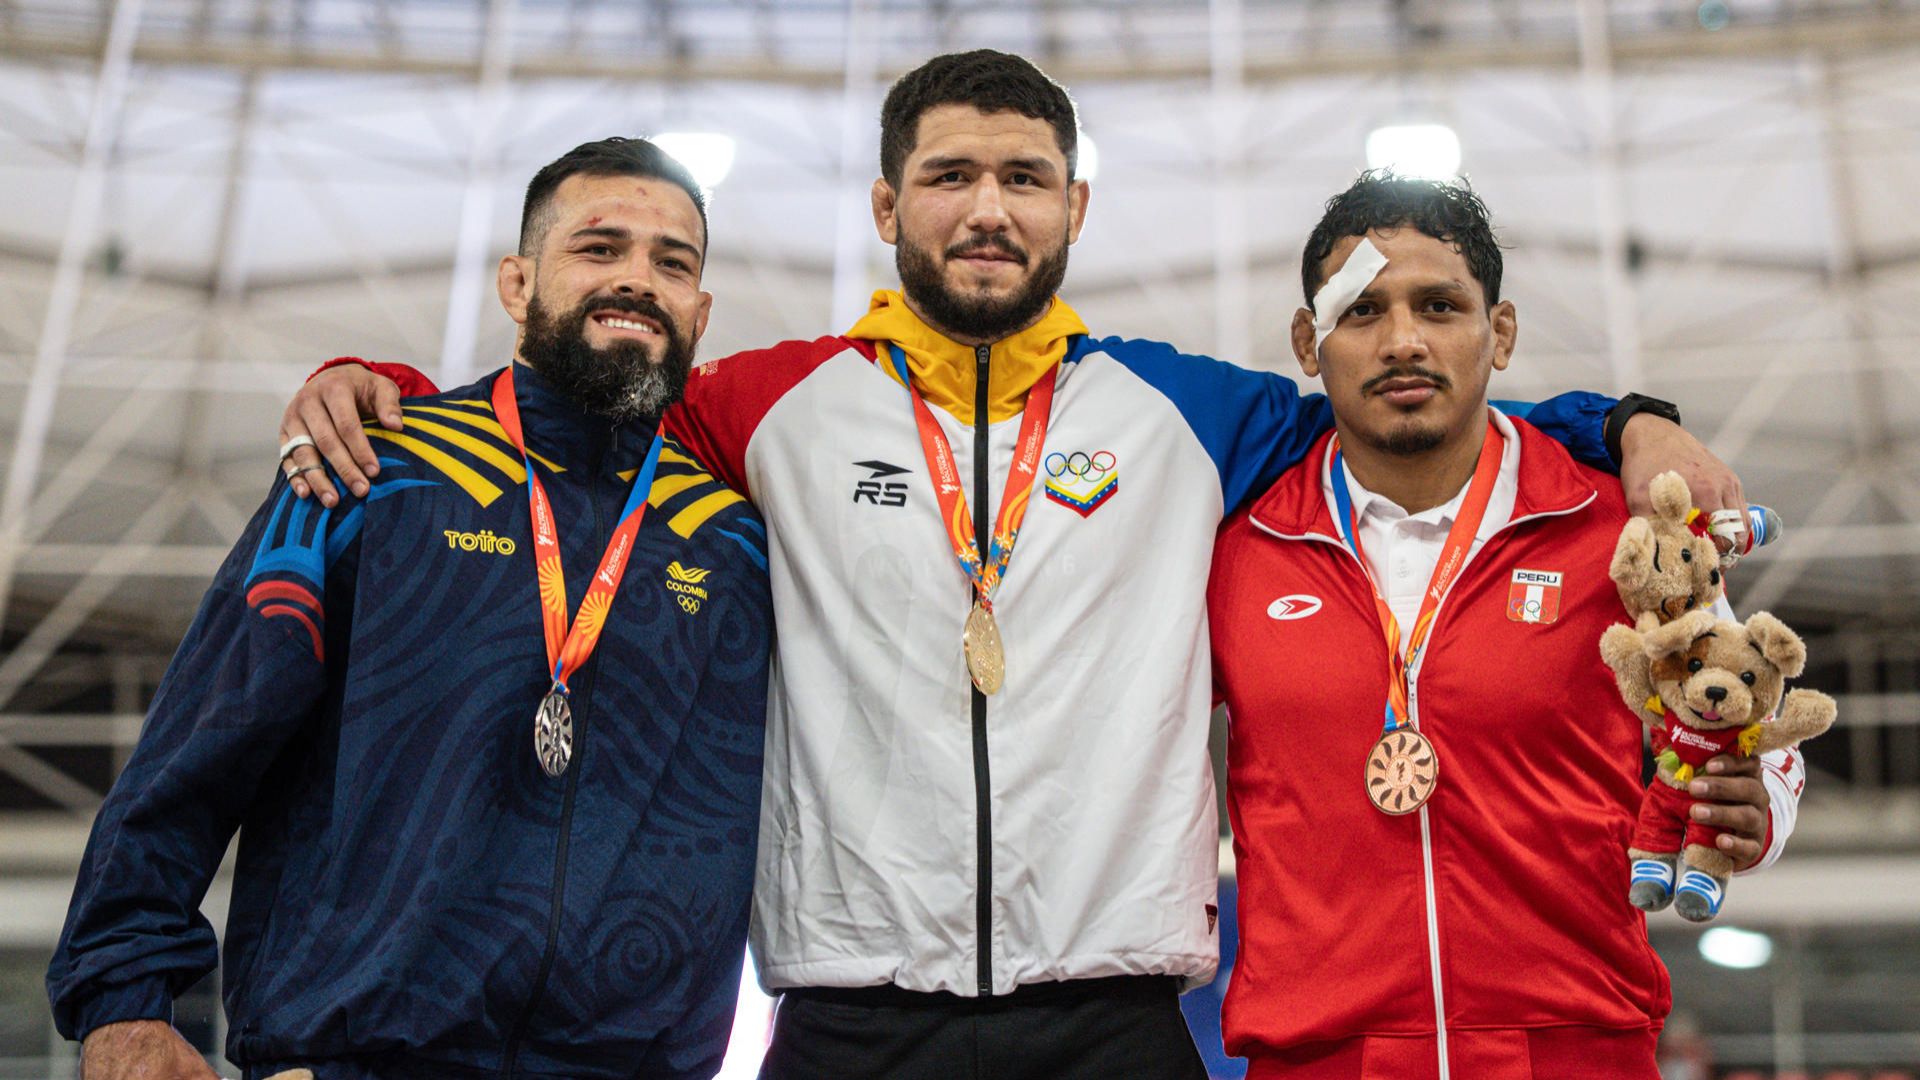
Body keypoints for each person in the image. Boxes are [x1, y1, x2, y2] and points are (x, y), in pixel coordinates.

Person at [273, 52, 1764, 1078]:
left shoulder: (1192, 412)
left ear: (1074, 211)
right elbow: (585, 409)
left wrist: (1626, 424)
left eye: (1026, 177)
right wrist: (381, 378)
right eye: (951, 175)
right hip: (851, 1015)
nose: (989, 206)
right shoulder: (770, 403)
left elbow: (1410, 405)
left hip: (1115, 1020)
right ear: (888, 208)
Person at [46, 138, 774, 1080]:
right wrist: (123, 1004)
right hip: (355, 1054)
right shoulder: (369, 471)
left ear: (700, 311)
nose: (637, 279)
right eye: (599, 248)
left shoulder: (733, 543)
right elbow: (196, 748)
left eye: (671, 263)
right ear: (518, 284)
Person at [1206, 173, 1805, 1080]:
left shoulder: (1620, 530)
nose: (1404, 340)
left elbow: (1763, 725)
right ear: (1308, 342)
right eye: (1361, 312)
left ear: (1502, 333)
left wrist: (1764, 808)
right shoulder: (1235, 548)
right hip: (1319, 1055)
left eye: (1440, 305)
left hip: (1578, 1048)